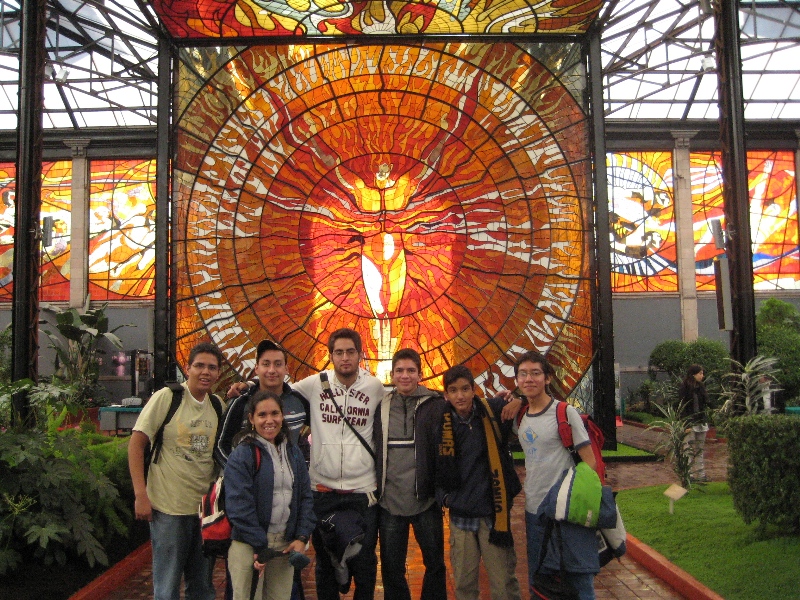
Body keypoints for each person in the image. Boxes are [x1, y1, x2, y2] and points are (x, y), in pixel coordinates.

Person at [290, 328, 385, 600]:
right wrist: (247, 387)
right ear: (331, 355)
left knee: (364, 562)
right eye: (339, 352)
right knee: (325, 561)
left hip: (362, 492)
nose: (345, 358)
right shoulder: (315, 384)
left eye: (350, 352)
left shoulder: (375, 387)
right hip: (323, 490)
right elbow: (278, 390)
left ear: (360, 355)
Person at [127, 342, 225, 600]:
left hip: (204, 512)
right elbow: (136, 443)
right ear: (188, 368)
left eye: (212, 367)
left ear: (218, 373)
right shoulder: (167, 398)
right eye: (199, 365)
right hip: (168, 508)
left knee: (202, 586)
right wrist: (140, 495)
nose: (205, 372)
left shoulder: (217, 406)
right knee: (167, 586)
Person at [513, 351, 598, 600]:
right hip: (535, 509)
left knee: (578, 577)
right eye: (523, 374)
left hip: (565, 510)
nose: (529, 379)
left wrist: (572, 498)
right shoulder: (521, 416)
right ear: (517, 380)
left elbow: (590, 462)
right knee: (540, 578)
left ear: (547, 378)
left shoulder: (565, 412)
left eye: (535, 373)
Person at [434, 365, 521, 600]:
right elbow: (433, 464)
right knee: (464, 585)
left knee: (503, 584)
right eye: (453, 390)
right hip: (461, 516)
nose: (460, 396)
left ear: (474, 390)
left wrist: (518, 400)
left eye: (465, 389)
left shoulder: (491, 411)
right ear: (446, 394)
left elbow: (531, 404)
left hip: (493, 514)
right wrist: (446, 498)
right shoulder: (440, 423)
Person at [224, 390, 316, 600]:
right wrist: (259, 544)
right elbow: (238, 506)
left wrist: (302, 536)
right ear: (251, 419)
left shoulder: (293, 452)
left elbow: (305, 497)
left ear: (282, 416)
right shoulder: (243, 454)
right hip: (249, 546)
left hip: (284, 544)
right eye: (262, 415)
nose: (269, 420)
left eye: (275, 413)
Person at [374, 348, 447, 600]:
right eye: (400, 371)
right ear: (392, 374)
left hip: (425, 498)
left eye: (410, 370)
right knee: (392, 567)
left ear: (420, 374)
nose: (405, 376)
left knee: (435, 562)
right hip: (390, 499)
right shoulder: (381, 406)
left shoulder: (436, 405)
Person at [218, 340, 310, 466]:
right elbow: (221, 445)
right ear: (257, 368)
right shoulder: (241, 402)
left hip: (290, 476)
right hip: (250, 476)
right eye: (266, 364)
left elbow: (323, 427)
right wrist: (239, 472)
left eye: (278, 364)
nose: (272, 370)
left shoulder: (299, 401)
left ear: (286, 369)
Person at [678, 364, 709, 482]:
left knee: (700, 450)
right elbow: (682, 405)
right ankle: (689, 475)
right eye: (700, 373)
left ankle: (701, 475)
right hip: (690, 422)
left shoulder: (701, 387)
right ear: (693, 374)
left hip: (700, 422)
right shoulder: (685, 387)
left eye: (702, 373)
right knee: (688, 450)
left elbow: (706, 402)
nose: (702, 376)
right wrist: (686, 423)